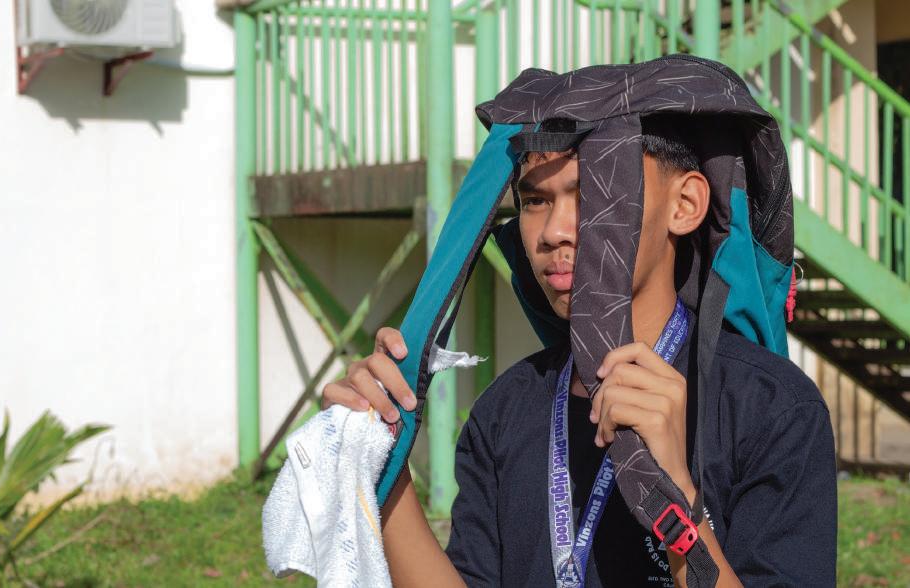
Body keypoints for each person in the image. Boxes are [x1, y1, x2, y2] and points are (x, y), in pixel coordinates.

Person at [321, 119, 837, 587]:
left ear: (683, 205)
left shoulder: (773, 409)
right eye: (534, 201)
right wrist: (380, 462)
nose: (552, 232)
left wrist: (676, 498)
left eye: (590, 193)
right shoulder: (505, 410)